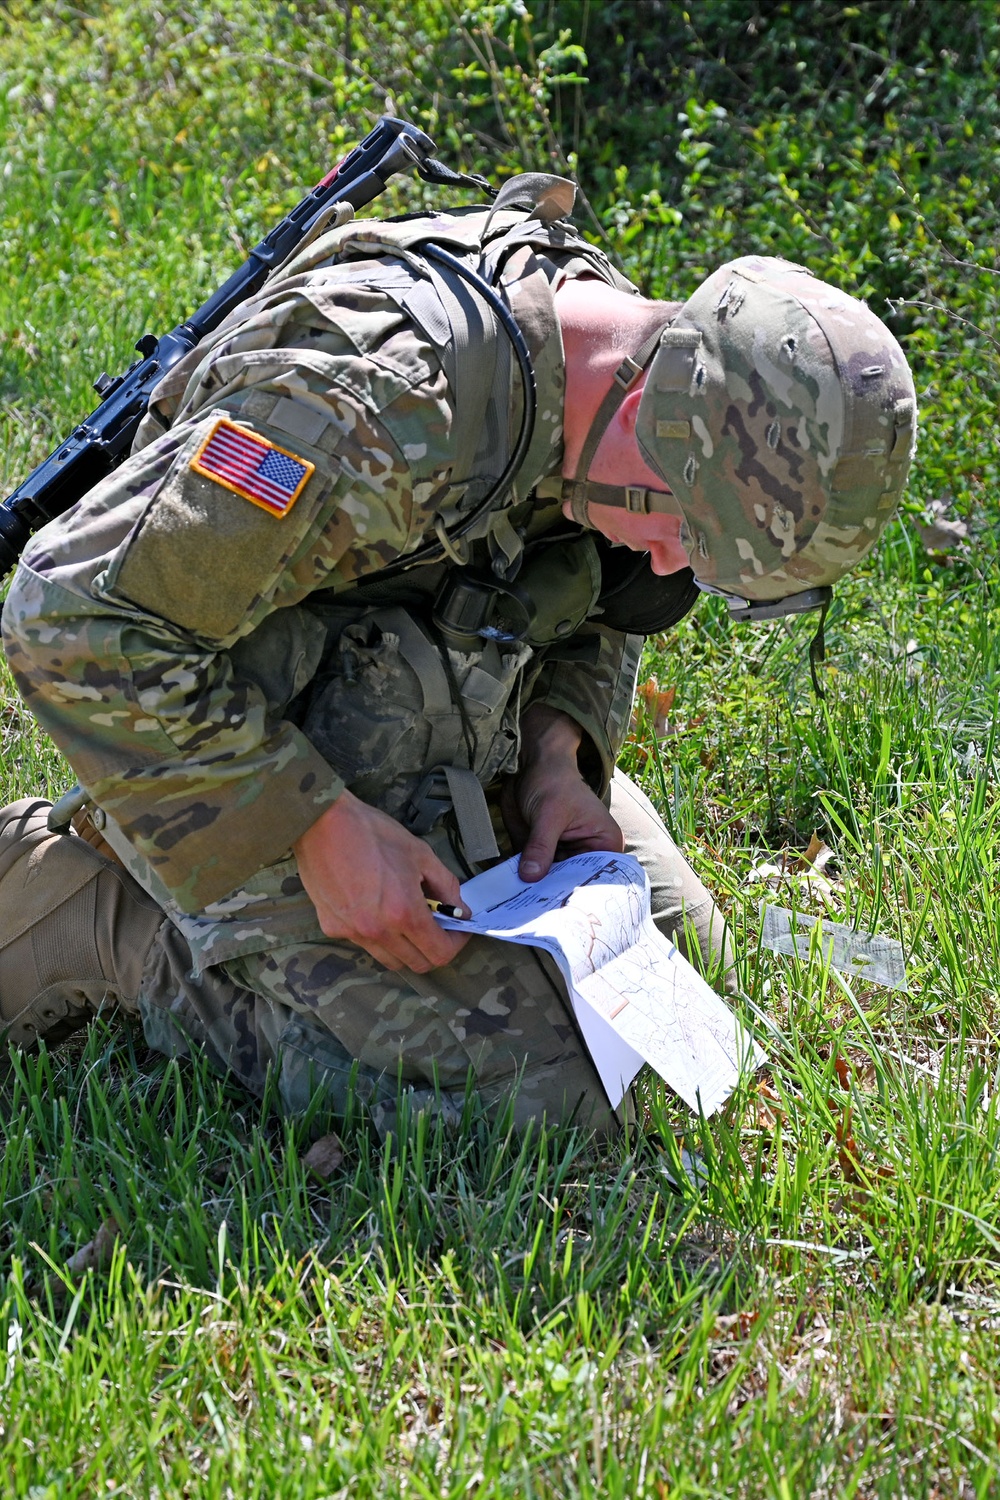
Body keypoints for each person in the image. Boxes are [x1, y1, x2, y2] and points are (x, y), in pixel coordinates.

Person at [0, 174, 916, 1134]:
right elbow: (69, 615)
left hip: (444, 703)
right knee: (552, 1102)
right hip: (253, 742)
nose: (670, 560)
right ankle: (102, 909)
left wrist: (561, 752)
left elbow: (597, 589)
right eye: (686, 528)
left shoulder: (640, 370)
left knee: (689, 1013)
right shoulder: (364, 409)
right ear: (646, 398)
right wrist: (315, 830)